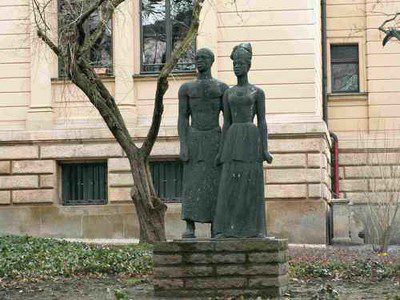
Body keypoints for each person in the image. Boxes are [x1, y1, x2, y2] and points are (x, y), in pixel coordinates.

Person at [214, 43, 273, 238]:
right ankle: (228, 228)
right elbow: (226, 122)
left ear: (248, 65)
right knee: (229, 184)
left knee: (251, 184)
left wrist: (265, 149)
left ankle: (254, 229)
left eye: (241, 63)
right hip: (233, 137)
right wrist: (222, 151)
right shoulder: (228, 93)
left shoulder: (257, 92)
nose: (237, 66)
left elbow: (262, 121)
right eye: (235, 63)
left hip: (251, 137)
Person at [178, 48, 229, 238]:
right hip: (194, 138)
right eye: (197, 58)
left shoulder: (222, 88)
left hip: (214, 138)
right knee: (191, 182)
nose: (200, 61)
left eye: (204, 58)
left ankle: (216, 225)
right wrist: (183, 144)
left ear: (211, 61)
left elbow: (228, 119)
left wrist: (223, 144)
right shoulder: (187, 89)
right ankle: (189, 225)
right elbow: (183, 117)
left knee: (215, 182)